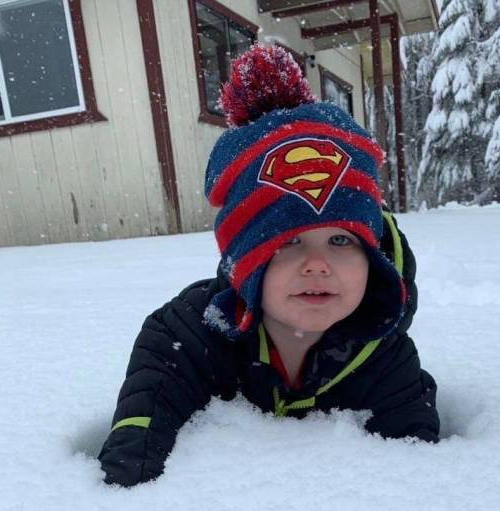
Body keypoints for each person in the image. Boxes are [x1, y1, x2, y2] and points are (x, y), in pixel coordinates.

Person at [98, 44, 439, 487]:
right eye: (289, 241)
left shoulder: (383, 353)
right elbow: (133, 455)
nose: (317, 264)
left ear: (372, 258)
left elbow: (417, 478)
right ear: (248, 261)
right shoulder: (187, 337)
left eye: (340, 240)